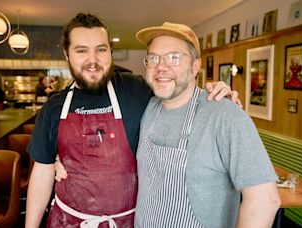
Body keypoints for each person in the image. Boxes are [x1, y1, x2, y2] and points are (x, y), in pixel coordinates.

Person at [25, 13, 237, 228]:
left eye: (101, 49)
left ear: (110, 51)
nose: (93, 60)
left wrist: (212, 92)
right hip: (68, 221)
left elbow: (177, 90)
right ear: (67, 55)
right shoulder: (54, 107)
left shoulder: (137, 89)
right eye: (81, 51)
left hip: (128, 222)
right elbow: (42, 172)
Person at [133, 22, 280, 227]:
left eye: (174, 57)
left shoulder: (225, 114)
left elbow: (265, 199)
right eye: (153, 58)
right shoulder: (148, 106)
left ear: (195, 66)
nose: (161, 67)